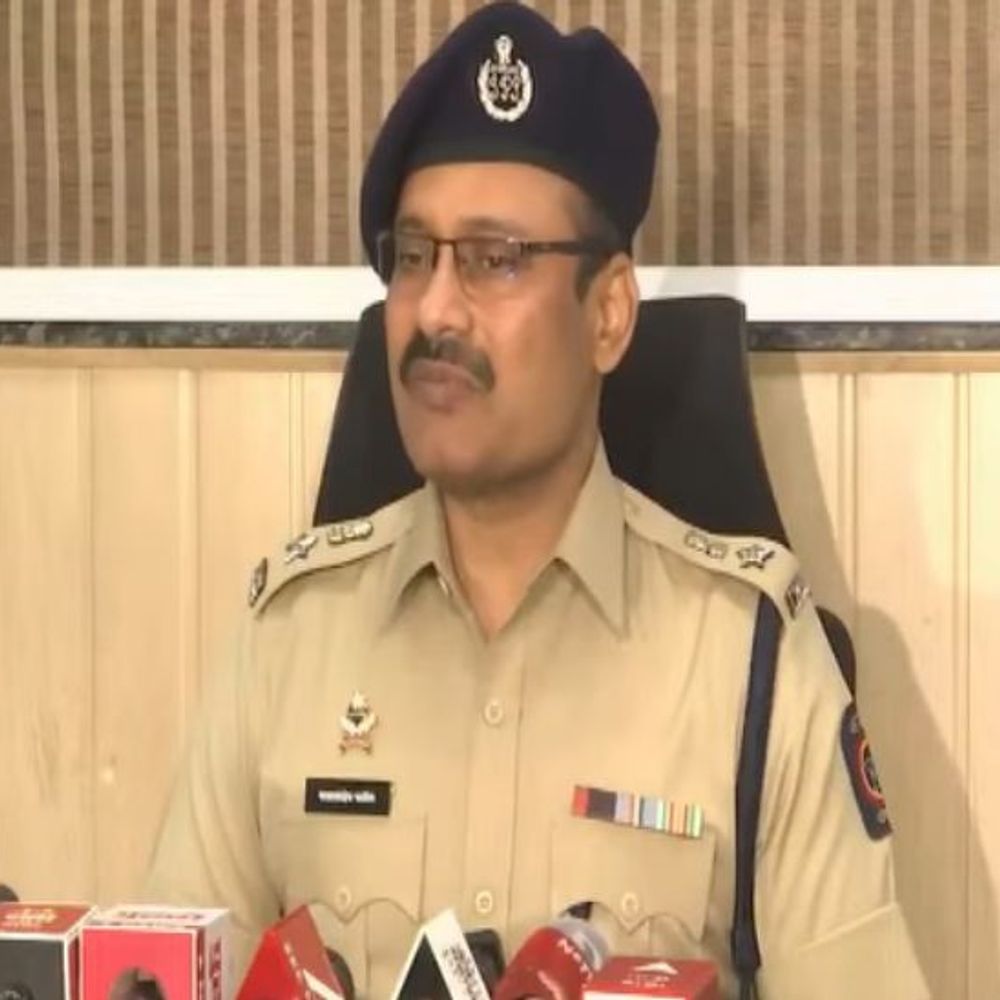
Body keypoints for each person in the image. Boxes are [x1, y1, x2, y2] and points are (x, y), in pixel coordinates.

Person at [145, 4, 928, 997]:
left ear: (607, 315)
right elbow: (165, 970)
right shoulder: (286, 638)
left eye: (495, 258)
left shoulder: (748, 657)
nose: (434, 309)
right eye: (414, 257)